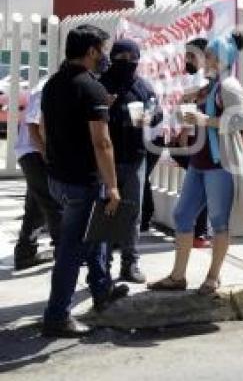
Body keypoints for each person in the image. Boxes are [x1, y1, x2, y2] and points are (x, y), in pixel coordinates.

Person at [148, 32, 243, 295]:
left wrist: (204, 121)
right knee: (182, 215)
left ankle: (212, 277)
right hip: (200, 162)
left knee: (219, 222)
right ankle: (178, 276)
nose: (203, 58)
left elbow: (241, 121)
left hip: (220, 164)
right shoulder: (211, 84)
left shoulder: (228, 86)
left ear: (222, 58)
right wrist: (188, 114)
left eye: (208, 54)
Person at [41, 24, 128, 338]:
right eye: (103, 49)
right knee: (72, 249)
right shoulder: (91, 89)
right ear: (91, 51)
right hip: (81, 182)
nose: (105, 56)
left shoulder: (53, 84)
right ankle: (56, 315)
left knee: (96, 234)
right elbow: (102, 143)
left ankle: (101, 289)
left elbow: (47, 129)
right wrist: (114, 186)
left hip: (59, 178)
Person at [100, 39, 161, 283]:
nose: (126, 62)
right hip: (106, 158)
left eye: (131, 58)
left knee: (132, 213)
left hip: (135, 157)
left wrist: (151, 116)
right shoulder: (101, 84)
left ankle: (130, 263)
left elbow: (158, 112)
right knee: (105, 214)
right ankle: (103, 266)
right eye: (120, 57)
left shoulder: (143, 86)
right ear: (112, 58)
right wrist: (106, 107)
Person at [141, 37, 210, 247]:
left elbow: (188, 104)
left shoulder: (200, 78)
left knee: (198, 186)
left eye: (191, 55)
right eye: (186, 55)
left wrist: (182, 132)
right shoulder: (198, 78)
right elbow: (188, 105)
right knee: (201, 186)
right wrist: (182, 133)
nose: (187, 59)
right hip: (189, 140)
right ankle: (197, 234)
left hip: (188, 139)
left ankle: (194, 232)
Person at [13, 77, 61, 270]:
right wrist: (47, 155)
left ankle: (25, 253)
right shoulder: (49, 86)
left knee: (36, 205)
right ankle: (65, 252)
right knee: (53, 204)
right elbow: (35, 125)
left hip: (33, 152)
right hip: (36, 153)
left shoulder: (50, 84)